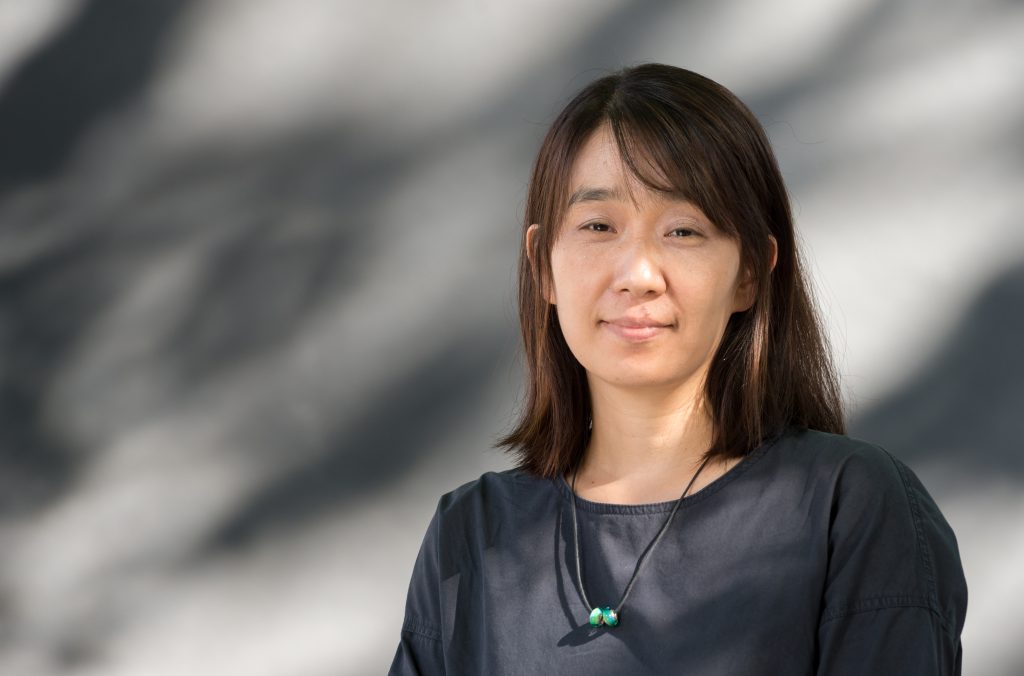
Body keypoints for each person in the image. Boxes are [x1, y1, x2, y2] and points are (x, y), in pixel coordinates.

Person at [388, 63, 967, 675]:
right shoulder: (471, 535)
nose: (637, 274)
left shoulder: (848, 508)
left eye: (683, 230)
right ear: (542, 265)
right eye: (598, 226)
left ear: (750, 272)